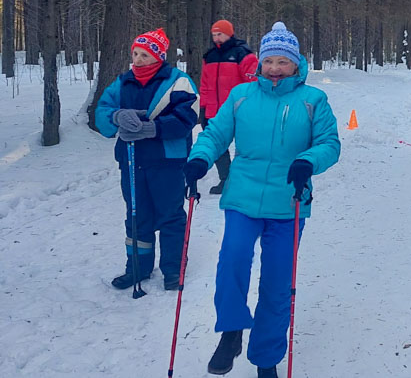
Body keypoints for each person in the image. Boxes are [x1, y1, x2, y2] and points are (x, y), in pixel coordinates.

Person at [184, 22, 341, 378]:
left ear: (296, 64)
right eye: (269, 60)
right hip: (243, 196)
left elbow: (329, 144)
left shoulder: (313, 100)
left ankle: (266, 357)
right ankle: (231, 331)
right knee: (233, 260)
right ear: (260, 63)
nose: (274, 68)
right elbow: (215, 134)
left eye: (282, 62)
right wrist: (198, 159)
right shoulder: (241, 96)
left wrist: (307, 161)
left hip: (289, 202)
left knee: (277, 282)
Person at [95, 28, 198, 291]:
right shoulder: (123, 81)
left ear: (159, 57)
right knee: (136, 215)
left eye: (145, 55)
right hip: (131, 160)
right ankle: (137, 268)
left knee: (170, 215)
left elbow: (188, 117)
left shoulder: (178, 81)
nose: (138, 60)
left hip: (168, 161)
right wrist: (116, 117)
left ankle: (174, 269)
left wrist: (153, 128)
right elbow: (102, 111)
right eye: (135, 54)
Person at [199, 19, 259, 194]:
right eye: (214, 35)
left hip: (239, 110)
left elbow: (253, 83)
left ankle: (248, 179)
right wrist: (203, 108)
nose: (217, 38)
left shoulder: (243, 54)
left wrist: (251, 107)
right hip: (214, 111)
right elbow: (205, 85)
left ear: (229, 34)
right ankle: (226, 180)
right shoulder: (209, 57)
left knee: (246, 145)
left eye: (220, 34)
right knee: (218, 147)